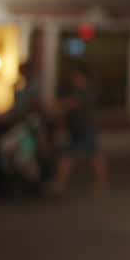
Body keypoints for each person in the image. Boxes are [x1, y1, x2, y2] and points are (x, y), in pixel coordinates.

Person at [48, 65, 108, 196]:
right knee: (78, 156)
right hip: (76, 129)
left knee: (91, 156)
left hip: (86, 129)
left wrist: (57, 107)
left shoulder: (85, 91)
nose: (73, 79)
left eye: (76, 76)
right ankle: (60, 184)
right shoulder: (76, 91)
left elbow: (71, 103)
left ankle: (99, 183)